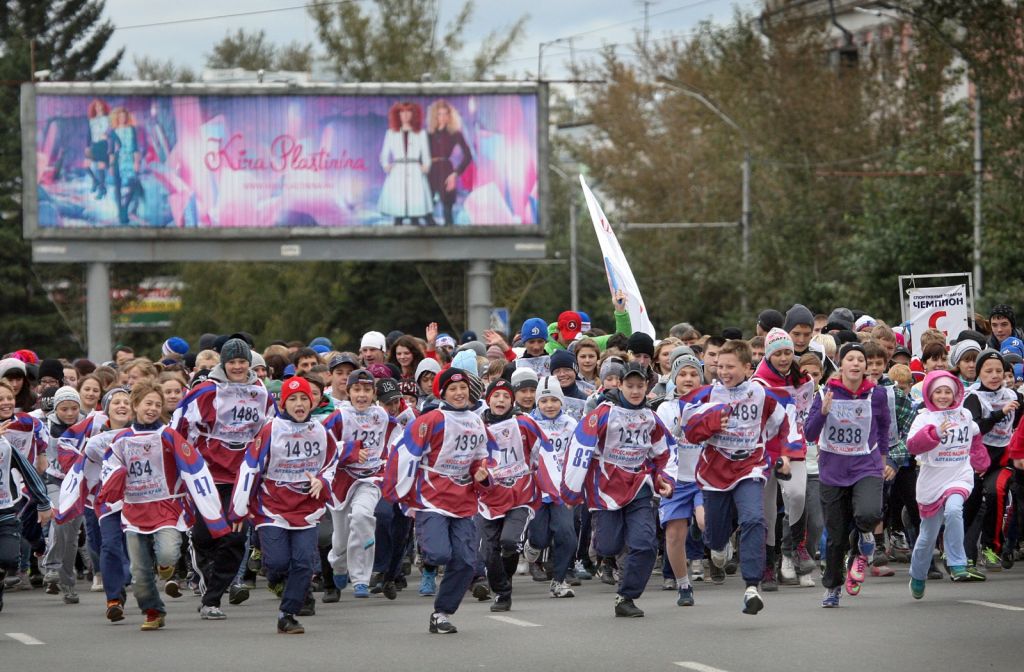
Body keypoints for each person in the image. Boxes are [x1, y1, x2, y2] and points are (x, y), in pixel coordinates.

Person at [231, 376, 358, 634]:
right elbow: (250, 468)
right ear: (283, 403)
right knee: (277, 563)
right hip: (272, 508)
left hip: (306, 508)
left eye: (304, 398)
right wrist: (239, 508)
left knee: (303, 563)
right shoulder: (271, 429)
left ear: (312, 402)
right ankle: (277, 579)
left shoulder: (320, 430)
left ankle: (287, 614)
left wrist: (322, 480)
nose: (299, 404)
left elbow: (331, 461)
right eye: (293, 399)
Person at [98, 382, 229, 631]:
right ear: (135, 405)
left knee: (168, 553)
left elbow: (192, 463)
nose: (153, 408)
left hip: (167, 507)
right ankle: (153, 611)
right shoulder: (122, 439)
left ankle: (167, 567)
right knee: (139, 571)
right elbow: (109, 465)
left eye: (157, 405)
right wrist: (116, 475)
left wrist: (203, 499)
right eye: (148, 403)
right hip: (134, 510)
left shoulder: (168, 435)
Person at [684, 340, 797, 615]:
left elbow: (782, 425)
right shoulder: (707, 395)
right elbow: (688, 430)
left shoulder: (761, 394)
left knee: (755, 519)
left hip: (750, 467)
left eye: (730, 367)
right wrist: (710, 423)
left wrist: (782, 455)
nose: (723, 371)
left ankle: (751, 586)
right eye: (719, 366)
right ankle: (706, 535)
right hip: (714, 471)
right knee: (716, 537)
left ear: (747, 368)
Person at [382, 368, 495, 634]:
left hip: (464, 500)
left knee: (466, 562)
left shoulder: (478, 421)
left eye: (463, 388)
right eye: (453, 389)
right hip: (432, 497)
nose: (459, 393)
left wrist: (482, 474)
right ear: (442, 392)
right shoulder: (431, 419)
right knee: (439, 553)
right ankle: (426, 546)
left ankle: (441, 613)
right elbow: (405, 453)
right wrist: (397, 492)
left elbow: (482, 457)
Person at [562, 363, 674, 618]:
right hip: (605, 487)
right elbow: (580, 447)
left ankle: (627, 596)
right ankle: (607, 550)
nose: (635, 391)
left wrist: (664, 478)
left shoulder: (650, 417)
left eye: (640, 386)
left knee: (645, 544)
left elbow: (665, 451)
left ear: (647, 386)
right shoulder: (602, 413)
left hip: (639, 486)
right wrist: (571, 492)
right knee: (608, 545)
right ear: (619, 385)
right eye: (630, 386)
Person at [173, 338, 273, 618]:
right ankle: (200, 563)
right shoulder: (206, 391)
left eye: (243, 362)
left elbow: (270, 427)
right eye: (233, 362)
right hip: (206, 474)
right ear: (223, 364)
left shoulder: (260, 392)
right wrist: (183, 462)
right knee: (206, 536)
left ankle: (212, 599)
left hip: (241, 476)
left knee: (234, 539)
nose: (238, 367)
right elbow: (179, 426)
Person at [805, 342, 891, 608]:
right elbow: (809, 433)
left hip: (866, 466)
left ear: (866, 367)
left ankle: (864, 540)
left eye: (860, 360)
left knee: (868, 514)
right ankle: (832, 587)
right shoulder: (825, 393)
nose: (856, 363)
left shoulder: (877, 395)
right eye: (850, 359)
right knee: (836, 536)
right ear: (840, 364)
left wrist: (883, 462)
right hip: (833, 471)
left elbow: (884, 428)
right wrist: (823, 413)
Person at [906, 371, 989, 598]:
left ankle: (957, 562)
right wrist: (934, 433)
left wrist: (981, 461)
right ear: (930, 394)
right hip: (932, 478)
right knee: (927, 536)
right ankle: (918, 573)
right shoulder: (923, 417)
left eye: (947, 392)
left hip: (959, 475)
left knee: (954, 510)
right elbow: (912, 446)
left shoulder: (964, 415)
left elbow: (976, 437)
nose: (943, 396)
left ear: (955, 393)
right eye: (938, 392)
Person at [57, 386, 135, 621]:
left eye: (127, 402)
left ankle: (129, 581)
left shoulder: (143, 434)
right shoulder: (95, 440)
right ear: (107, 409)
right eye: (116, 402)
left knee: (132, 552)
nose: (122, 406)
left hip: (137, 501)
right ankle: (114, 599)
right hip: (106, 502)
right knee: (109, 546)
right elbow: (68, 447)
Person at [325, 369, 401, 599]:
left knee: (362, 517)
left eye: (367, 390)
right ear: (348, 392)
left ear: (374, 393)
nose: (362, 395)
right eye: (357, 390)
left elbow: (400, 441)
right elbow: (323, 444)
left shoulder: (383, 416)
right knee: (340, 538)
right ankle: (338, 565)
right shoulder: (339, 416)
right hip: (342, 480)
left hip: (370, 478)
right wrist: (350, 451)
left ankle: (360, 578)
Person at [750, 329, 813, 589]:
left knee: (797, 494)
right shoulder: (757, 384)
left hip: (793, 446)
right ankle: (767, 563)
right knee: (766, 511)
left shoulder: (804, 380)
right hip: (764, 450)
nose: (784, 358)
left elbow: (804, 415)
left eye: (788, 352)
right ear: (768, 355)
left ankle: (797, 545)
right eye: (778, 353)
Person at [656, 351, 707, 606]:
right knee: (675, 536)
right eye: (683, 374)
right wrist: (677, 429)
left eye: (694, 373)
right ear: (674, 379)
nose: (688, 378)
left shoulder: (710, 403)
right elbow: (661, 445)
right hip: (676, 481)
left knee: (704, 521)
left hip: (705, 478)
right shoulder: (665, 408)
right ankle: (684, 585)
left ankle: (717, 548)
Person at [963, 349, 1022, 570]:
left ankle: (991, 547)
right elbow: (975, 428)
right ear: (979, 374)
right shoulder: (972, 396)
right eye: (988, 371)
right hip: (976, 460)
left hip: (1003, 459)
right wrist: (999, 414)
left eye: (999, 371)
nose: (995, 375)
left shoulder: (1013, 396)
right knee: (971, 504)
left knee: (996, 491)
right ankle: (961, 553)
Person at [528, 376, 580, 598]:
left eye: (554, 400)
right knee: (539, 538)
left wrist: (576, 487)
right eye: (544, 401)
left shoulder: (571, 424)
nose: (549, 405)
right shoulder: (527, 423)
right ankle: (532, 546)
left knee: (567, 534)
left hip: (562, 490)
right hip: (537, 489)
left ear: (561, 401)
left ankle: (558, 581)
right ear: (537, 403)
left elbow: (580, 454)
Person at [0, 414, 53, 614]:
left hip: (4, 509)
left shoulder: (5, 446)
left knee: (8, 559)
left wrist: (43, 502)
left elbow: (29, 472)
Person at [379, 101, 434, 226]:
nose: (405, 115)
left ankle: (415, 222)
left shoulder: (421, 133)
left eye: (408, 111)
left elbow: (426, 154)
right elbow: (384, 154)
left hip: (415, 169)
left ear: (413, 114)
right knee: (398, 202)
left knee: (415, 200)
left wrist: (426, 166)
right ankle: (398, 220)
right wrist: (386, 165)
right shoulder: (391, 133)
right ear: (397, 114)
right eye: (402, 112)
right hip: (398, 169)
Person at [426, 99, 473, 226]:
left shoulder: (455, 133)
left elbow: (468, 156)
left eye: (446, 114)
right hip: (429, 172)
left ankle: (450, 242)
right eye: (440, 114)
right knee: (427, 213)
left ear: (450, 115)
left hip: (446, 171)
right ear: (435, 116)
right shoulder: (428, 134)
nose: (443, 117)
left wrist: (455, 174)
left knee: (448, 211)